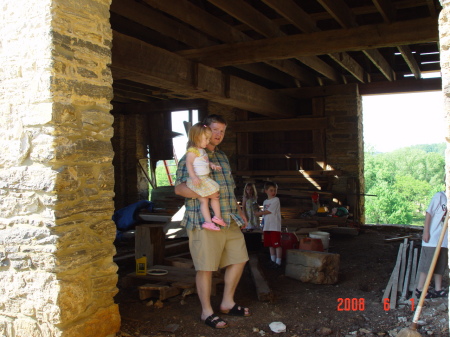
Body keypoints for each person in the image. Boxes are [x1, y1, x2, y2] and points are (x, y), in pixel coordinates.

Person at [174, 114, 251, 329]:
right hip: (203, 221)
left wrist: (240, 211)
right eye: (215, 130)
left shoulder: (223, 157)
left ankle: (227, 302)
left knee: (239, 258)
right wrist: (202, 192)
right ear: (205, 130)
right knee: (206, 267)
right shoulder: (191, 155)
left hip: (228, 217)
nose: (218, 135)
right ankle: (206, 312)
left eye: (222, 131)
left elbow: (229, 188)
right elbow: (179, 188)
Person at [185, 123, 226, 231]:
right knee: (213, 196)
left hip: (204, 178)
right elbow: (189, 164)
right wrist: (193, 177)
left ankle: (212, 220)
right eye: (206, 139)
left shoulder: (202, 150)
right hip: (199, 179)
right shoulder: (192, 152)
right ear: (197, 138)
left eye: (208, 139)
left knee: (206, 200)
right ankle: (213, 219)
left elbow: (205, 162)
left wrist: (212, 165)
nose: (208, 141)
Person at [415, 190, 448, 299]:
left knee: (440, 264)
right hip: (433, 237)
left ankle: (438, 289)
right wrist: (426, 231)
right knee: (427, 264)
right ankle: (420, 289)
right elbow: (429, 213)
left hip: (444, 239)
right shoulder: (440, 196)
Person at [255, 181, 282, 269]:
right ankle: (272, 260)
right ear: (266, 191)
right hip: (267, 226)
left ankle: (278, 262)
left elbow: (269, 211)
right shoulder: (265, 201)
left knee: (276, 245)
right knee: (270, 244)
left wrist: (258, 213)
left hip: (275, 226)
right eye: (271, 190)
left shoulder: (276, 200)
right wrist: (262, 224)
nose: (273, 192)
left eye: (275, 190)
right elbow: (264, 215)